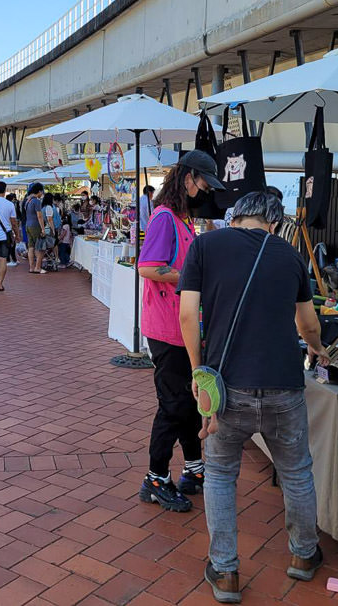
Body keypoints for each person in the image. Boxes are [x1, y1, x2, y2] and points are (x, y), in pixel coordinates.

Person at [178, 190, 328, 602]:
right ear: (274, 224)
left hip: (228, 387)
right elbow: (308, 324)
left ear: (235, 217)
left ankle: (225, 571)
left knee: (221, 473)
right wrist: (317, 347)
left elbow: (188, 315)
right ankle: (303, 555)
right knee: (296, 472)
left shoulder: (205, 246)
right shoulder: (290, 256)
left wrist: (198, 372)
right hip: (284, 385)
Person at [137, 150, 225, 514]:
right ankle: (156, 478)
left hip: (183, 327)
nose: (207, 192)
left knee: (188, 401)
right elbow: (147, 266)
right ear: (188, 179)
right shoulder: (164, 218)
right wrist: (191, 279)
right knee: (173, 406)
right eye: (205, 184)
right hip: (166, 329)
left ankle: (193, 468)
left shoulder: (183, 219)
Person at [24, 183, 48, 274]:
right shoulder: (36, 201)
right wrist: (43, 229)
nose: (42, 193)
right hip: (35, 226)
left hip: (28, 225)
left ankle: (31, 267)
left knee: (31, 247)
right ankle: (37, 267)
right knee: (40, 247)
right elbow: (39, 216)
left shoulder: (28, 200)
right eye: (42, 191)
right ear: (39, 191)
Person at [41, 193, 59, 271]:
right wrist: (53, 230)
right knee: (54, 243)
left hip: (44, 228)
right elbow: (50, 219)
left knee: (46, 245)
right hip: (49, 229)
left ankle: (46, 259)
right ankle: (56, 258)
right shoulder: (49, 207)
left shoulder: (43, 207)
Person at [5, 192, 20, 266]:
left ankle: (9, 259)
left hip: (4, 228)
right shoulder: (11, 205)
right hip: (9, 228)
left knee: (8, 245)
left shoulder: (4, 206)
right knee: (12, 245)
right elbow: (13, 221)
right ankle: (12, 259)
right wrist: (17, 234)